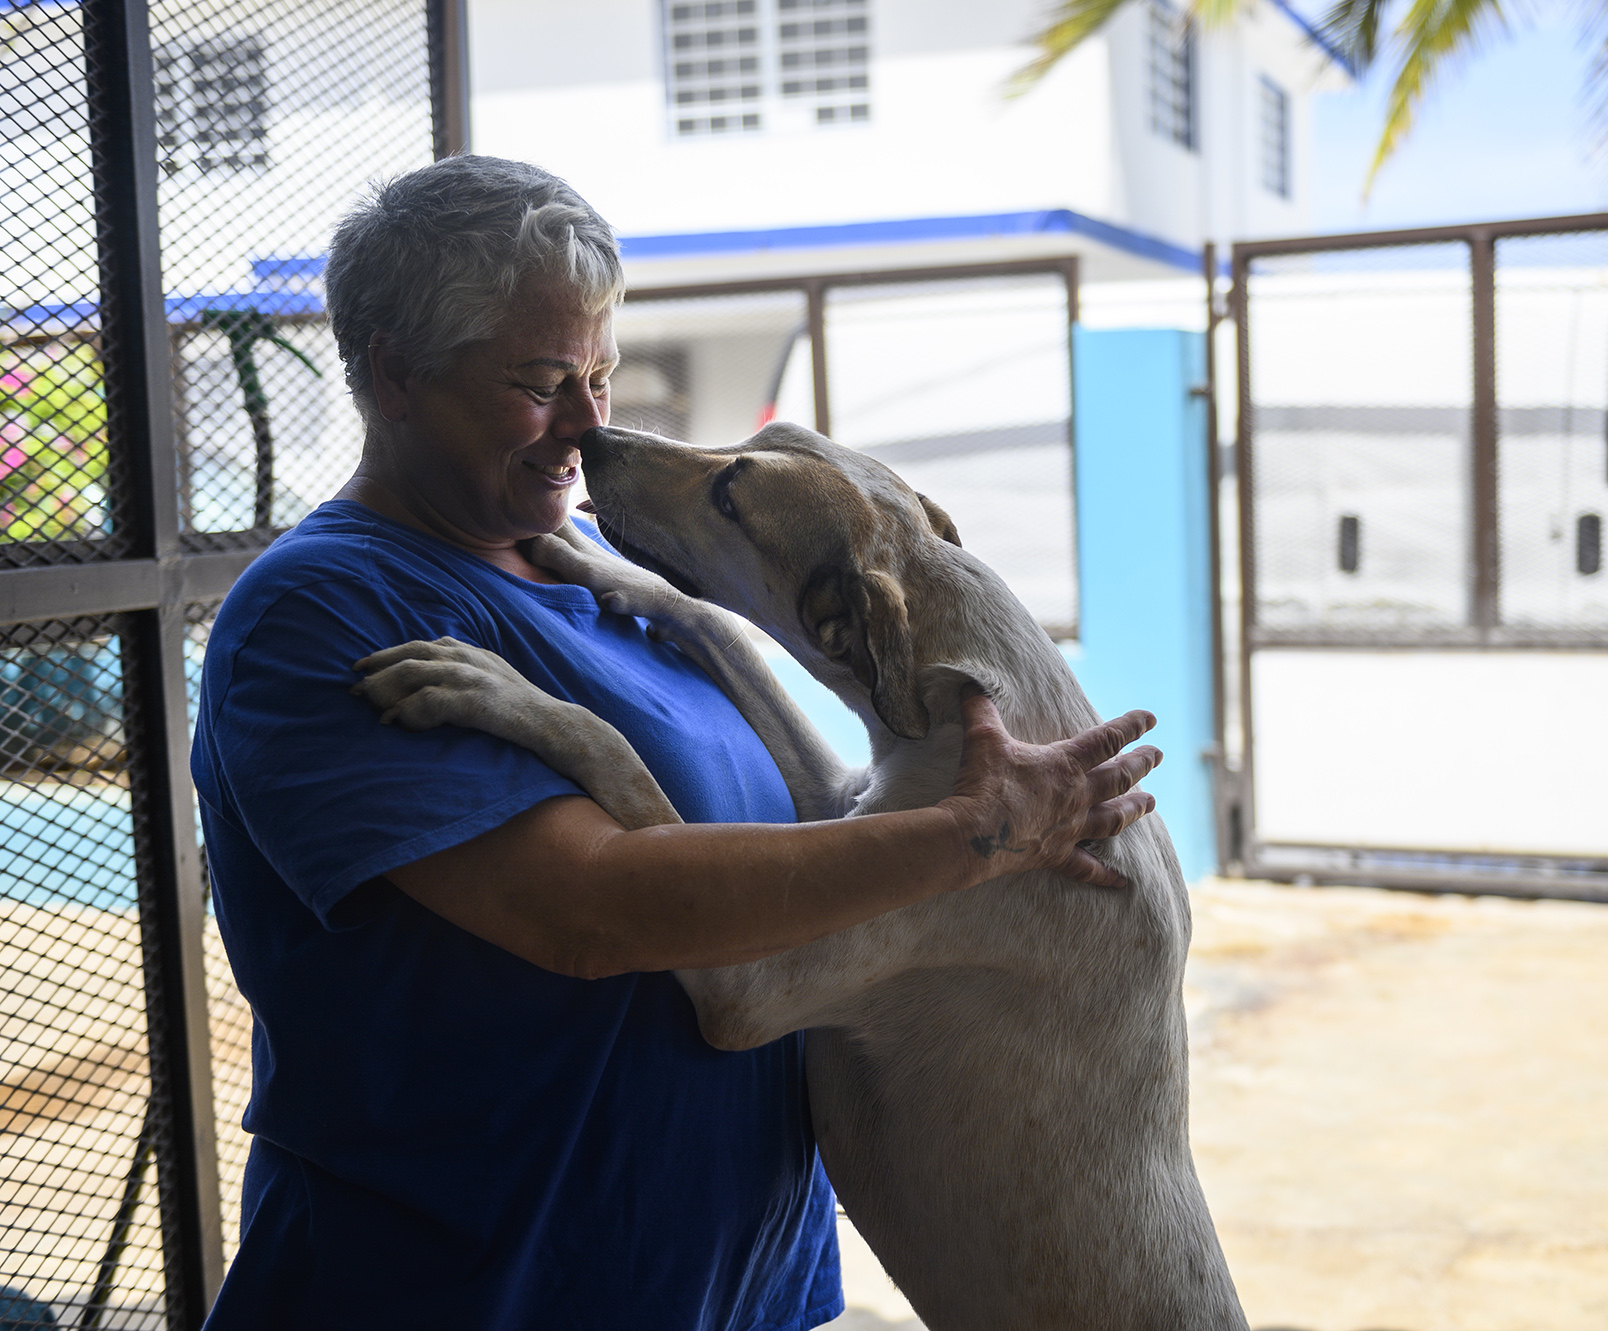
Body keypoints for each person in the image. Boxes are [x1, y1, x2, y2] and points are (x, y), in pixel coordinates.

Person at [190, 156, 1160, 1330]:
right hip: (465, 1288)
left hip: (732, 1292)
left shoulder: (606, 581)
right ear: (395, 373)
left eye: (598, 373)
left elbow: (816, 843)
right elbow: (590, 912)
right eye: (541, 382)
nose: (590, 426)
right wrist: (974, 835)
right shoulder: (330, 607)